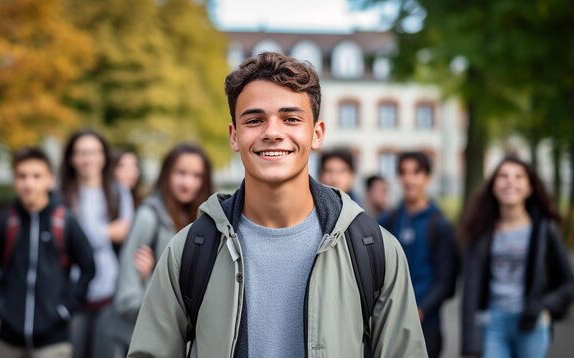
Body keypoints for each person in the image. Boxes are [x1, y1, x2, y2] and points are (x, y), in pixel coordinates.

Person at [128, 52, 426, 357]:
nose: (272, 132)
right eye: (255, 120)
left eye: (291, 119)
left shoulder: (374, 250)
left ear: (317, 134)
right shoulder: (189, 249)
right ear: (234, 136)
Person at [0, 148, 95, 358]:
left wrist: (65, 309)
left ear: (50, 180)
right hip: (8, 338)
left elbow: (88, 268)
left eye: (37, 176)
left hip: (53, 340)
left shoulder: (64, 220)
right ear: (15, 180)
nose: (29, 184)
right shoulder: (6, 221)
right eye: (22, 176)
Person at [461, 156, 574, 358]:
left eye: (519, 176)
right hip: (492, 324)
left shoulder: (544, 230)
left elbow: (568, 282)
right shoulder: (480, 231)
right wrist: (470, 345)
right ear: (493, 187)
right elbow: (470, 290)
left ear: (530, 188)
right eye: (503, 176)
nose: (510, 181)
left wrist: (545, 307)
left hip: (531, 324)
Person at [111, 143, 213, 357]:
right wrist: (152, 281)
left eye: (196, 175)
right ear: (167, 173)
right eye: (181, 173)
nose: (188, 182)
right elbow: (126, 298)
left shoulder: (203, 220)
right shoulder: (148, 217)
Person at [60, 129, 134, 358]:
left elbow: (123, 231)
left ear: (103, 156)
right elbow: (60, 239)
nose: (87, 159)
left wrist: (80, 234)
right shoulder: (61, 194)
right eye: (81, 153)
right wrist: (105, 231)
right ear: (72, 158)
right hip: (69, 291)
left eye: (93, 152)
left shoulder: (117, 191)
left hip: (108, 290)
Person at [378, 151, 459, 358]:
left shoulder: (439, 224)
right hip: (391, 323)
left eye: (416, 172)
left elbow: (446, 281)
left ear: (427, 177)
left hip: (427, 325)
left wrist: (420, 310)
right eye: (404, 173)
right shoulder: (388, 221)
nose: (409, 179)